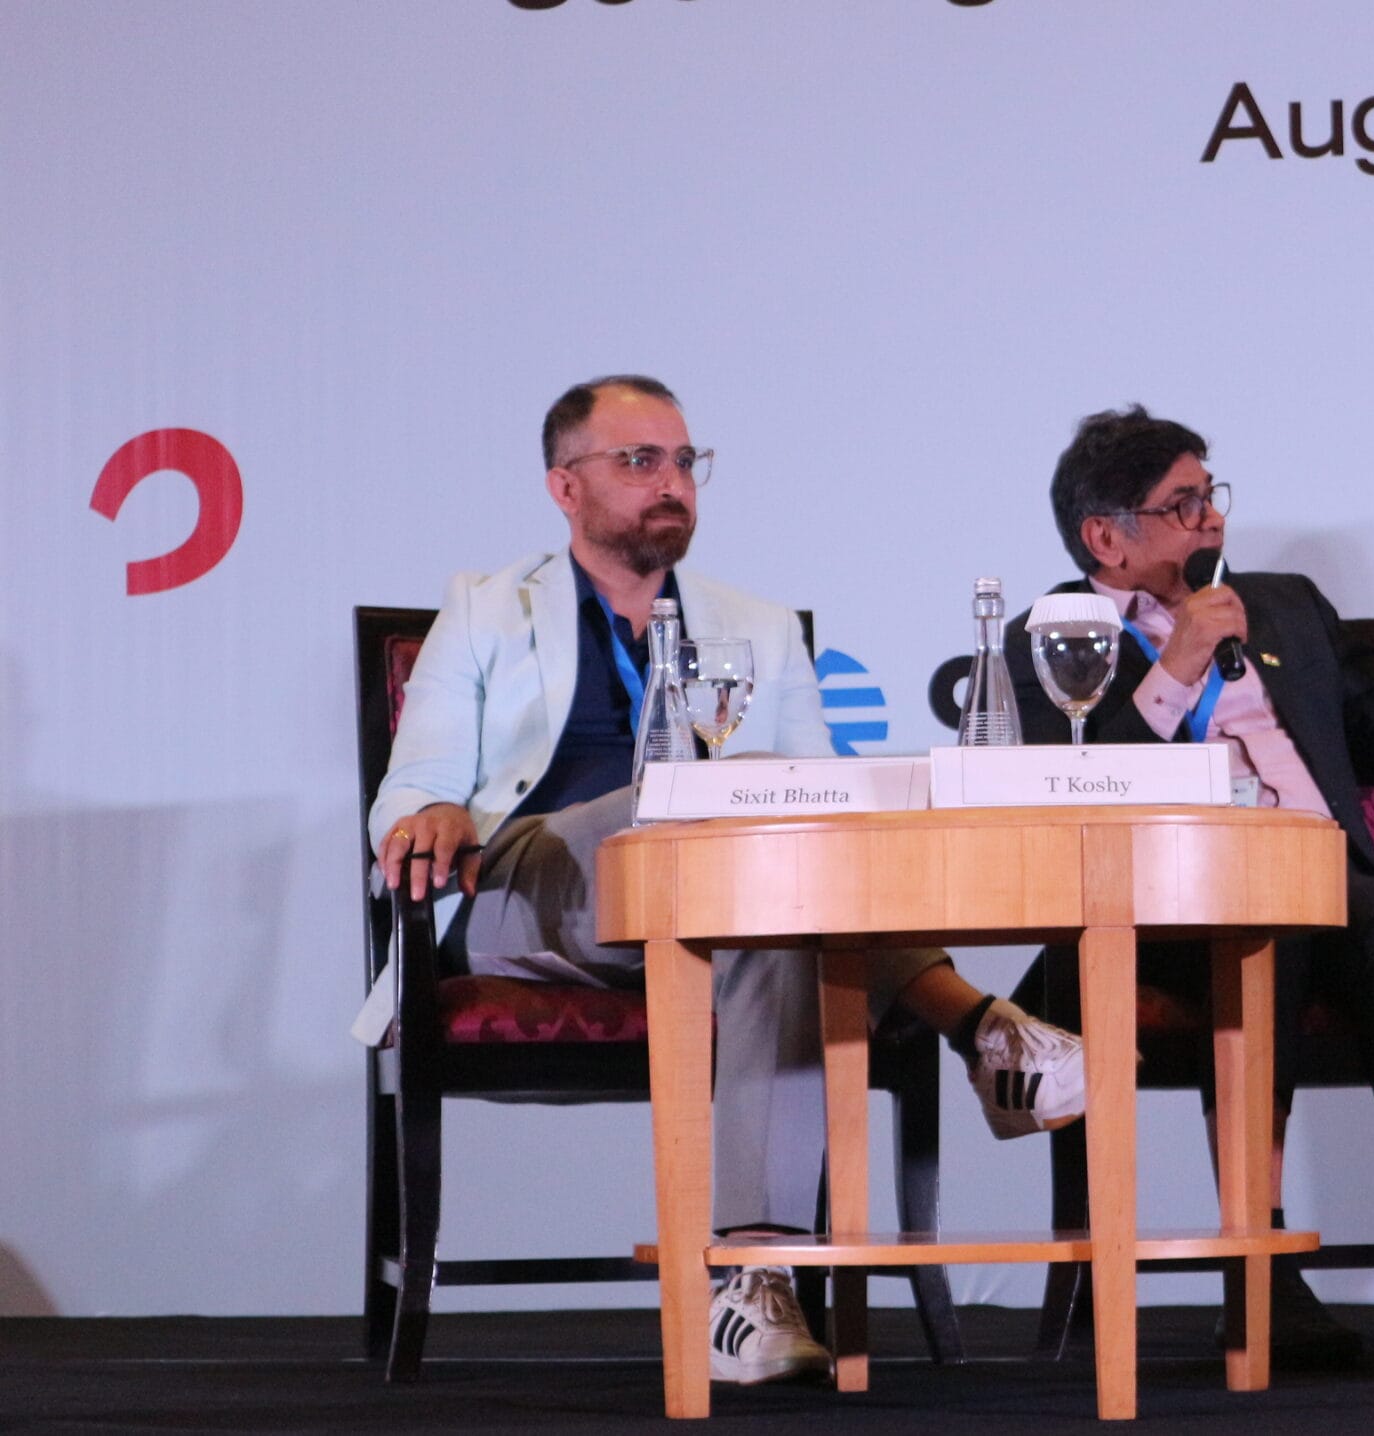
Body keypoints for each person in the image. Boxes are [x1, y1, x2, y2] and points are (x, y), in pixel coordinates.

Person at [367, 375, 1085, 1385]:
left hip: (716, 899)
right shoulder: (486, 610)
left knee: (772, 883)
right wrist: (430, 812)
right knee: (703, 811)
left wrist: (743, 816)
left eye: (684, 461)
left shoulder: (759, 624)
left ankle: (751, 1280)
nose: (671, 482)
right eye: (639, 460)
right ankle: (979, 1024)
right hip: (527, 891)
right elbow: (412, 789)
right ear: (565, 487)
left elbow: (820, 820)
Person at [1006, 406, 1374, 1365]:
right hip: (1165, 902)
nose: (1211, 517)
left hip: (1320, 872)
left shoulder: (1283, 605)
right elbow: (1069, 790)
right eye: (1181, 504)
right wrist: (1175, 665)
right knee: (1266, 935)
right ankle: (1260, 1270)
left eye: (1210, 495)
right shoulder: (1055, 636)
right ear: (1105, 538)